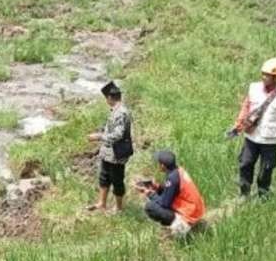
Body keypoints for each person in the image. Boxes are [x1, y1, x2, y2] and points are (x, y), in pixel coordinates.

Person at [231, 58, 276, 197]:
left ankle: (263, 194)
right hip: (252, 136)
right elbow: (246, 106)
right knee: (245, 164)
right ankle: (244, 194)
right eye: (263, 74)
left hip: (270, 140)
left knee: (266, 169)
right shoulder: (253, 88)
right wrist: (239, 123)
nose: (264, 77)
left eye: (267, 75)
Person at [136, 150, 207, 238]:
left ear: (162, 166)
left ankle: (179, 226)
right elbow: (170, 192)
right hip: (195, 210)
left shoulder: (172, 179)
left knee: (150, 207)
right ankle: (180, 222)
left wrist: (149, 193)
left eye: (158, 163)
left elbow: (164, 204)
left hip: (189, 215)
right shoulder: (178, 171)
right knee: (157, 200)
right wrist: (158, 187)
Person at [87, 81, 133, 214]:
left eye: (106, 98)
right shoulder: (115, 111)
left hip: (117, 154)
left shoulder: (121, 113)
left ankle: (119, 209)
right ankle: (102, 203)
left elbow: (118, 134)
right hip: (108, 153)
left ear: (110, 98)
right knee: (104, 177)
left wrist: (99, 136)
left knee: (117, 181)